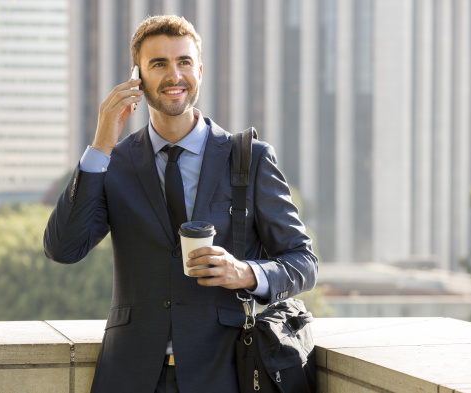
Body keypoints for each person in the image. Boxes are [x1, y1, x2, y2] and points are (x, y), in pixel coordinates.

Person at [44, 15, 317, 393]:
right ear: (137, 76)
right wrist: (101, 142)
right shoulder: (113, 163)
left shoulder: (248, 158)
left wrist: (247, 273)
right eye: (159, 64)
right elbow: (63, 248)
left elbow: (303, 261)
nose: (174, 75)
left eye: (184, 62)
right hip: (129, 375)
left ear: (199, 70)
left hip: (225, 373)